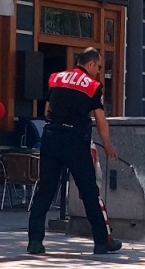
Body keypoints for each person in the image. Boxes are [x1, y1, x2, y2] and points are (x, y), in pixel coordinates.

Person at [28, 47, 122, 255]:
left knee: (45, 190)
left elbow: (47, 110)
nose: (99, 71)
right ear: (90, 64)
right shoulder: (93, 86)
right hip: (75, 140)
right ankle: (101, 242)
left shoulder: (56, 78)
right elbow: (100, 120)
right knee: (89, 191)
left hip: (51, 136)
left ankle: (35, 242)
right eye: (98, 66)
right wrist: (107, 144)